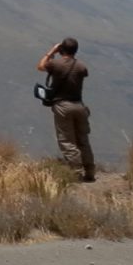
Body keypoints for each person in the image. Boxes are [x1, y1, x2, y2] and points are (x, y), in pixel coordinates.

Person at [38, 38, 94, 182]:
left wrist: (51, 51)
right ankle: (90, 172)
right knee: (83, 140)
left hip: (63, 106)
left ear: (62, 49)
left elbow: (40, 66)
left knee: (67, 141)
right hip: (79, 106)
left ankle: (76, 172)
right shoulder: (82, 67)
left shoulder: (56, 64)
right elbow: (82, 74)